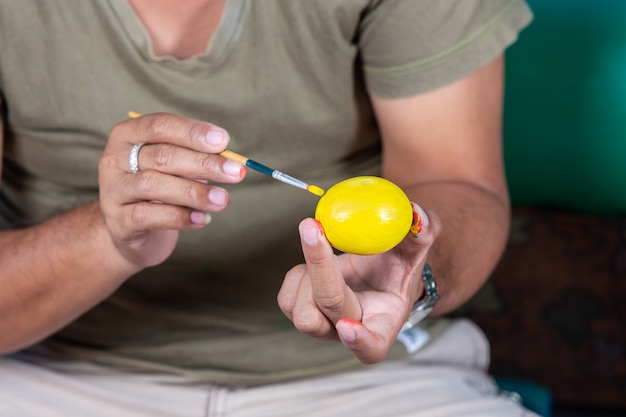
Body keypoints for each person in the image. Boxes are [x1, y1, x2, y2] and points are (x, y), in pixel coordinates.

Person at [0, 1, 535, 416]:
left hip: (376, 385)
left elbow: (457, 181)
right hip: (56, 377)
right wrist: (110, 237)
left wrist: (407, 277)